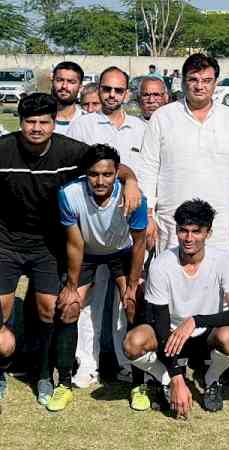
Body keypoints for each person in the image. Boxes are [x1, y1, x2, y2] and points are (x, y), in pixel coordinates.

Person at [0, 93, 140, 406]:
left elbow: (110, 165)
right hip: (6, 242)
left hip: (49, 244)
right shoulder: (4, 149)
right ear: (20, 122)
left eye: (44, 122)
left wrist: (130, 182)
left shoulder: (71, 151)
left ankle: (43, 375)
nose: (37, 128)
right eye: (30, 122)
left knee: (52, 308)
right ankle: (3, 367)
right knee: (3, 309)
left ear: (54, 123)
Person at [123, 199, 229, 418]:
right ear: (176, 230)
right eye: (183, 231)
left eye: (196, 231)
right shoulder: (161, 264)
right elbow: (160, 325)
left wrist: (196, 321)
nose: (188, 238)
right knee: (133, 343)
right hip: (169, 335)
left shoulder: (223, 260)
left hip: (205, 334)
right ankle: (165, 380)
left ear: (208, 233)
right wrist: (176, 378)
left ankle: (212, 379)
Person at [67, 67, 148, 387]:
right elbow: (75, 173)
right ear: (98, 91)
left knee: (124, 301)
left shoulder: (141, 128)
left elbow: (148, 175)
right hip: (90, 230)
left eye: (118, 90)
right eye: (106, 89)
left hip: (126, 231)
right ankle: (88, 364)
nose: (112, 95)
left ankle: (126, 363)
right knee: (87, 303)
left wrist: (147, 213)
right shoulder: (82, 125)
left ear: (127, 94)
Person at [56, 144, 148, 411]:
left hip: (121, 252)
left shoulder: (133, 197)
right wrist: (72, 287)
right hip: (87, 252)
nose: (100, 180)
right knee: (69, 307)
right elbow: (74, 244)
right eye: (94, 174)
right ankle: (64, 382)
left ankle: (137, 382)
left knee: (132, 305)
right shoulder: (69, 194)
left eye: (107, 174)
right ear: (86, 173)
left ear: (117, 173)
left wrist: (131, 286)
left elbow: (139, 244)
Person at [141, 54, 229, 256]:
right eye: (193, 80)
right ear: (183, 81)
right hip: (173, 223)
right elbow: (148, 168)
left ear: (216, 83)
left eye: (207, 81)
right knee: (174, 281)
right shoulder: (163, 117)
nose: (199, 86)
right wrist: (148, 215)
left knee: (221, 282)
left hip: (221, 223)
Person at [51, 61, 85, 135]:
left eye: (71, 82)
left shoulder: (87, 120)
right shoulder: (39, 118)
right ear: (52, 82)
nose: (64, 86)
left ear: (80, 87)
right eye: (59, 80)